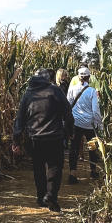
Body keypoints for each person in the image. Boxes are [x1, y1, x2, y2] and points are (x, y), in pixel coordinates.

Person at [12, 68, 74, 212]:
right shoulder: (54, 91)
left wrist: (16, 140)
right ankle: (51, 196)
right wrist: (69, 132)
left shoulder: (28, 93)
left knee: (38, 168)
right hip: (54, 137)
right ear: (47, 78)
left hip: (34, 138)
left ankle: (41, 197)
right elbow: (68, 113)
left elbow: (20, 119)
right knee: (55, 167)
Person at [67, 66, 103, 184]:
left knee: (74, 148)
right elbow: (96, 110)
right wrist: (99, 124)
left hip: (75, 122)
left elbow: (68, 105)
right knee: (92, 148)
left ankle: (72, 174)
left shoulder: (72, 89)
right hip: (89, 124)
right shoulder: (92, 91)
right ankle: (93, 171)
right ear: (88, 77)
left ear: (78, 77)